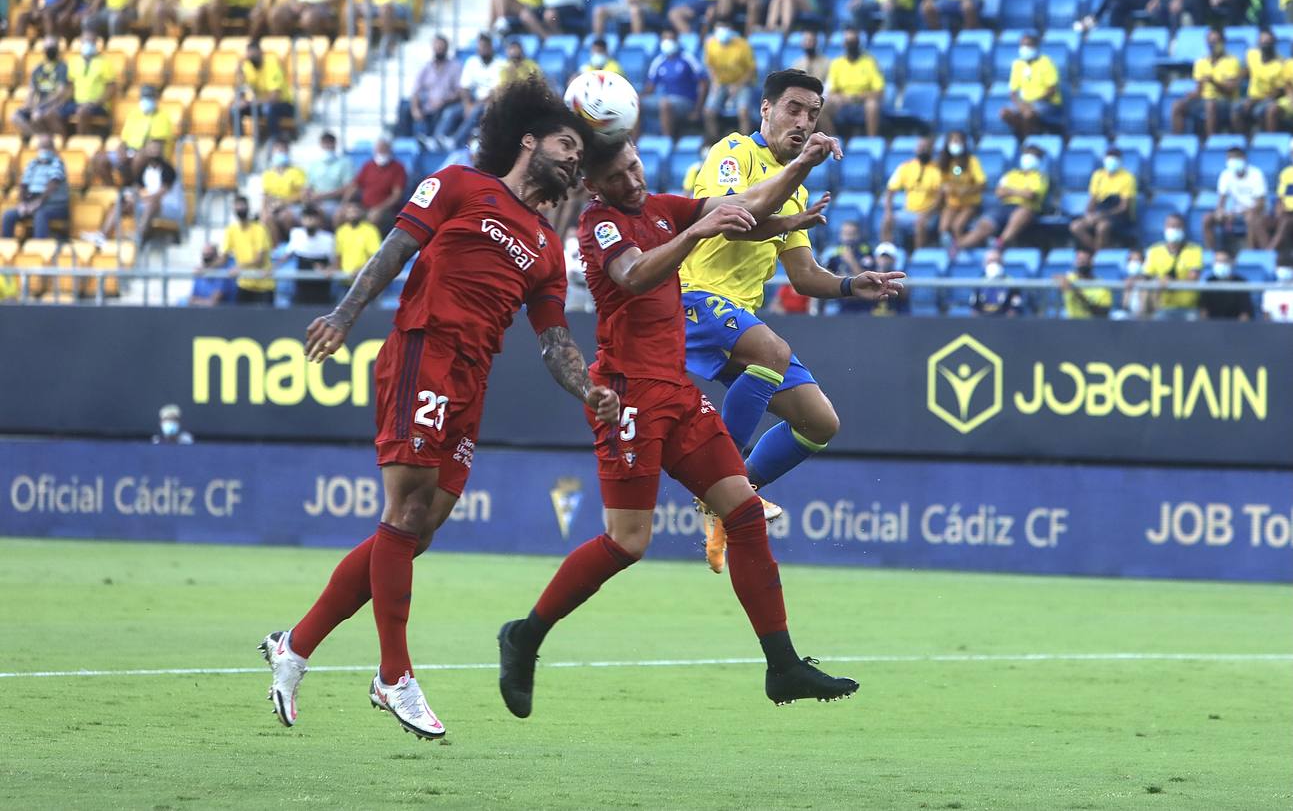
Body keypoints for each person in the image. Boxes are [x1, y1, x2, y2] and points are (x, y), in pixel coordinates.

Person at [259, 77, 618, 741]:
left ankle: (296, 645)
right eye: (566, 143)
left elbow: (554, 341)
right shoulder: (457, 184)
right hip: (424, 350)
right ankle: (393, 675)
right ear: (528, 140)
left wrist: (588, 386)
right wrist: (343, 315)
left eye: (580, 152)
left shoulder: (544, 246)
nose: (574, 159)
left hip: (472, 379)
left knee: (418, 530)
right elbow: (394, 251)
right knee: (404, 512)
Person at [497, 132, 870, 719]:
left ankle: (782, 666)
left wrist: (799, 164)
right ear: (593, 185)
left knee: (744, 514)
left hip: (675, 391)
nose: (634, 180)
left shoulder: (659, 207)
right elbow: (634, 275)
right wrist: (696, 232)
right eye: (618, 175)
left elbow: (743, 207)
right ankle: (526, 634)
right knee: (628, 542)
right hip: (628, 397)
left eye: (635, 166)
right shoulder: (598, 224)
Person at [682, 70, 907, 571]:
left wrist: (852, 284)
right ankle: (723, 486)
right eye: (794, 109)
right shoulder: (733, 152)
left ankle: (728, 503)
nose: (803, 122)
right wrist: (797, 183)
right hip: (693, 297)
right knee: (773, 352)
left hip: (736, 316)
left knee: (819, 422)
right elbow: (732, 222)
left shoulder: (796, 190)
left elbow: (803, 276)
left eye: (813, 113)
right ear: (765, 109)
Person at [958, 144, 1049, 250]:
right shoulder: (1010, 174)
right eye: (1026, 154)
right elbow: (999, 192)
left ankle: (1000, 243)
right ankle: (960, 246)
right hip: (1004, 206)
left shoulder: (1040, 177)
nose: (1028, 158)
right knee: (983, 227)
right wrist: (1020, 192)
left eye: (1032, 156)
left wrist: (1010, 191)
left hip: (1026, 207)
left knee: (1021, 214)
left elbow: (1030, 195)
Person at [95, 139, 183, 245]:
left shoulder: (168, 169)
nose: (154, 151)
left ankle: (139, 236)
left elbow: (160, 194)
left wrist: (139, 199)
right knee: (122, 202)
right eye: (151, 148)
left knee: (152, 203)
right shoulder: (144, 169)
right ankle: (102, 236)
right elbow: (137, 188)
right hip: (147, 203)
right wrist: (131, 198)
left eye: (156, 148)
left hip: (168, 206)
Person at [94, 85, 175, 186]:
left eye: (150, 97)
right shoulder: (134, 115)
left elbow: (155, 146)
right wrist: (121, 151)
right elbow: (124, 140)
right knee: (99, 159)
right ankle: (113, 190)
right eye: (144, 97)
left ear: (156, 99)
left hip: (149, 156)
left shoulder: (162, 118)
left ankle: (133, 187)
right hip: (130, 151)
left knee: (139, 158)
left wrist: (136, 154)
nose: (146, 100)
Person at [1171, 26, 1241, 137]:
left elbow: (1230, 91)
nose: (1212, 45)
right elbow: (1199, 91)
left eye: (1215, 41)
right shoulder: (1201, 62)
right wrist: (1190, 96)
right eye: (1210, 41)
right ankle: (1178, 140)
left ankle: (1210, 142)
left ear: (1222, 42)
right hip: (1204, 100)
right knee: (1177, 106)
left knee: (1210, 105)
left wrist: (1214, 82)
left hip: (1225, 101)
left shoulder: (1232, 61)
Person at [1, 136, 69, 240]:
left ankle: (38, 246)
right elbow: (24, 185)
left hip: (56, 206)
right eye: (42, 147)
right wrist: (23, 203)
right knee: (8, 215)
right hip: (32, 204)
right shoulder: (32, 163)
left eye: (47, 147)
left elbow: (52, 185)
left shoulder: (57, 163)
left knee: (40, 214)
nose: (44, 150)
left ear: (53, 149)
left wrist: (37, 203)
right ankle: (6, 246)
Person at [643, 30, 708, 139]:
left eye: (671, 39)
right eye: (665, 39)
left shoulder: (687, 58)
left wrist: (698, 109)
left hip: (686, 101)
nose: (667, 42)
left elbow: (704, 83)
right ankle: (635, 142)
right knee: (636, 104)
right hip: (666, 98)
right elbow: (650, 87)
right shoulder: (658, 61)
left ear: (677, 41)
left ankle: (666, 141)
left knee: (665, 104)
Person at [1070, 148, 1136, 252]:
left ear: (1120, 161)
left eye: (1114, 159)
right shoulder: (1098, 175)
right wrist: (1088, 214)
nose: (1111, 162)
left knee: (1102, 227)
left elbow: (1124, 207)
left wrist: (1102, 215)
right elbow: (1093, 199)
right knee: (1076, 226)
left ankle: (1099, 255)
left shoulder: (1128, 178)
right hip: (1099, 211)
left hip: (1117, 215)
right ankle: (1098, 251)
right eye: (1109, 159)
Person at [882, 137, 943, 249]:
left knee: (920, 223)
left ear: (932, 150)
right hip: (908, 212)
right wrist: (888, 212)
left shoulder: (938, 170)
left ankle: (918, 256)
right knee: (887, 221)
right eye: (921, 147)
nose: (923, 150)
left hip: (930, 214)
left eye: (926, 148)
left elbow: (940, 198)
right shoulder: (906, 167)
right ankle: (888, 253)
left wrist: (928, 214)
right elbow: (890, 191)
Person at [703, 19, 758, 142]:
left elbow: (751, 70)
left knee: (743, 112)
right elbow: (709, 65)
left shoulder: (743, 45)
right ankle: (713, 141)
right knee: (708, 112)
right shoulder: (710, 44)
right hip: (721, 83)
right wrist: (714, 81)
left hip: (742, 83)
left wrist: (737, 86)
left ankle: (745, 143)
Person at [1000, 34, 1063, 139]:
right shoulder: (1017, 64)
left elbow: (1052, 91)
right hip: (1024, 102)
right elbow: (1013, 92)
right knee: (1004, 113)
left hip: (1046, 103)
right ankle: (1029, 133)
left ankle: (1027, 140)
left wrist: (1031, 103)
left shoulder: (1046, 63)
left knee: (1027, 115)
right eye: (1022, 46)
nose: (1024, 49)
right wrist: (1020, 104)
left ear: (1035, 47)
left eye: (1028, 45)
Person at [824, 30, 884, 140]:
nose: (851, 45)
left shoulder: (869, 62)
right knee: (821, 108)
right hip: (843, 103)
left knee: (873, 105)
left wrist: (858, 97)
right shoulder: (837, 64)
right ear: (844, 44)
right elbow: (831, 92)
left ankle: (872, 141)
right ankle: (833, 142)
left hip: (862, 102)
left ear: (859, 43)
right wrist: (841, 98)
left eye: (854, 42)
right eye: (848, 42)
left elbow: (879, 91)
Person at [1205, 147, 1269, 250]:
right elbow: (1221, 202)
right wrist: (1220, 212)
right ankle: (1211, 253)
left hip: (1255, 212)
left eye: (1235, 158)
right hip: (1235, 212)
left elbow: (1260, 204)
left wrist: (1237, 213)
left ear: (1244, 158)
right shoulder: (1225, 175)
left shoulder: (1256, 174)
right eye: (1229, 159)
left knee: (1250, 217)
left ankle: (1250, 253)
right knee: (1207, 218)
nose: (1232, 162)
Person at [1143, 213, 1203, 320]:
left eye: (1177, 226)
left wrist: (1170, 282)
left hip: (1189, 308)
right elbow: (1147, 277)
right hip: (1163, 307)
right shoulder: (1154, 251)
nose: (1174, 229)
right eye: (1171, 226)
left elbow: (1193, 278)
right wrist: (1159, 281)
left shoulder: (1195, 250)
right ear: (1165, 228)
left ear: (1183, 229)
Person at [410, 35, 464, 149]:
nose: (439, 49)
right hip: (428, 104)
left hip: (448, 103)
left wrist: (444, 101)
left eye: (442, 47)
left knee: (449, 112)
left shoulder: (455, 66)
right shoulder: (426, 67)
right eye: (437, 47)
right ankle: (417, 141)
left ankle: (436, 139)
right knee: (411, 110)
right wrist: (415, 109)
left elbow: (461, 91)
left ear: (447, 48)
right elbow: (415, 90)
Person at [220, 194, 276, 304]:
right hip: (244, 285)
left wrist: (239, 267)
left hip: (264, 285)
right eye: (237, 206)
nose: (240, 209)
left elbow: (259, 260)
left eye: (242, 205)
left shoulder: (260, 229)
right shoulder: (231, 231)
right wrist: (206, 266)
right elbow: (223, 258)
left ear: (248, 208)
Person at [452, 34, 506, 147]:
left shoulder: (501, 64)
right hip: (473, 101)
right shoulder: (472, 62)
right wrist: (467, 105)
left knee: (477, 111)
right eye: (481, 47)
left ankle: (455, 141)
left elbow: (497, 91)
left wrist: (475, 105)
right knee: (450, 113)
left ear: (491, 47)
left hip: (492, 102)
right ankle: (438, 140)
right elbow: (464, 87)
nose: (483, 49)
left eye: (486, 46)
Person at [12, 36, 70, 139]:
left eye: (52, 47)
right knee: (16, 116)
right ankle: (38, 138)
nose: (50, 50)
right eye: (48, 47)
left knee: (37, 115)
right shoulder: (38, 69)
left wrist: (42, 104)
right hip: (40, 104)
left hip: (55, 104)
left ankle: (57, 140)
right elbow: (32, 91)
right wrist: (28, 106)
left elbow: (61, 92)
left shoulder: (62, 67)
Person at [236, 41, 295, 143]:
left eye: (254, 54)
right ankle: (241, 143)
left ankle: (275, 141)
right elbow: (241, 88)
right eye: (250, 55)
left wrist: (253, 102)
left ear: (260, 53)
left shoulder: (272, 66)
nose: (251, 57)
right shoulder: (248, 67)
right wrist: (239, 68)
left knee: (269, 108)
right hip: (260, 104)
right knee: (235, 109)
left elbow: (274, 98)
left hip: (284, 105)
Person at [1233, 30, 1290, 135]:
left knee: (1260, 111)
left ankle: (1267, 139)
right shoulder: (1251, 55)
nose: (1265, 46)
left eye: (1268, 43)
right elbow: (1243, 73)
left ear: (1273, 44)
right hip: (1251, 97)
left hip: (1270, 98)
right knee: (1237, 109)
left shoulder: (1281, 64)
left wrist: (1257, 100)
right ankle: (1243, 140)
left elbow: (1279, 91)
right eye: (1262, 42)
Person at [346, 139, 408, 232]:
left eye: (384, 149)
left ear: (390, 150)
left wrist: (379, 209)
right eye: (379, 149)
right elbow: (355, 186)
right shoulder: (368, 166)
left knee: (374, 217)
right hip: (364, 206)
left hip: (387, 210)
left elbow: (396, 196)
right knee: (343, 214)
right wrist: (345, 204)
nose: (381, 152)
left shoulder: (398, 168)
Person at [938, 132, 984, 246]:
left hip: (969, 203)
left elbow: (982, 183)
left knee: (957, 226)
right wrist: (946, 188)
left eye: (957, 141)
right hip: (952, 203)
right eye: (952, 141)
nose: (955, 144)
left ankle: (959, 250)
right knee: (943, 228)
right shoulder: (946, 162)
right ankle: (946, 251)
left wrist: (967, 190)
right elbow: (941, 183)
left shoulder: (972, 161)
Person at [287, 206, 337, 306]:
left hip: (321, 287)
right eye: (306, 218)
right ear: (301, 220)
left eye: (312, 218)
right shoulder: (296, 234)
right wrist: (272, 268)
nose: (309, 221)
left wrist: (329, 269)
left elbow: (335, 261)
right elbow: (286, 255)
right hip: (302, 286)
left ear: (318, 220)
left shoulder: (328, 238)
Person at [67, 31, 113, 138]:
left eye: (91, 41)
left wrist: (97, 102)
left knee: (83, 111)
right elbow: (70, 86)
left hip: (98, 104)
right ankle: (64, 142)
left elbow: (111, 87)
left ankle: (81, 141)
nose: (88, 43)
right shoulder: (74, 62)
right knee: (53, 113)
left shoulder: (104, 63)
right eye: (86, 41)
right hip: (77, 102)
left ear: (96, 43)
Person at [262, 140, 308, 241]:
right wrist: (264, 211)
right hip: (274, 207)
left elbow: (303, 194)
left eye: (283, 150)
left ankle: (293, 243)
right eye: (277, 150)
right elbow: (266, 196)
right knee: (267, 219)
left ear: (288, 152)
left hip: (294, 206)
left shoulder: (297, 172)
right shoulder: (267, 174)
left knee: (286, 216)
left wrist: (284, 202)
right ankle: (276, 248)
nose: (280, 152)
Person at [303, 131, 354, 220]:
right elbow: (308, 186)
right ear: (321, 145)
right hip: (316, 201)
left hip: (335, 202)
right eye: (325, 143)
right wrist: (307, 197)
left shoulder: (345, 163)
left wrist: (323, 195)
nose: (328, 146)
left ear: (335, 144)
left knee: (322, 212)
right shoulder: (314, 164)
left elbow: (348, 188)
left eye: (330, 143)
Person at [333, 200, 383, 285]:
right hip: (344, 281)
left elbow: (375, 257)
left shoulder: (371, 230)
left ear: (362, 213)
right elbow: (338, 256)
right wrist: (332, 269)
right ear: (345, 214)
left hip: (364, 281)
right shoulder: (341, 231)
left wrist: (361, 270)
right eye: (350, 211)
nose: (353, 214)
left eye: (356, 211)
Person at [1056, 248, 1113, 319]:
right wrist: (1058, 278)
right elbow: (1056, 278)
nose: (1081, 264)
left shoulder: (1102, 286)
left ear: (1091, 262)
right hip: (1071, 324)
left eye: (1084, 261)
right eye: (1079, 260)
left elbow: (1103, 313)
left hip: (1092, 326)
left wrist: (1079, 294)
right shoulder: (1070, 279)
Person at [1199, 249, 1254, 320]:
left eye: (1223, 261)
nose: (1220, 264)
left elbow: (1245, 314)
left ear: (1232, 263)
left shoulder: (1241, 283)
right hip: (1213, 326)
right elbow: (1203, 311)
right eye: (1217, 261)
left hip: (1235, 327)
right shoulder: (1209, 282)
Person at [971, 249, 1027, 317]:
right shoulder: (978, 283)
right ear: (984, 264)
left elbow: (1014, 307)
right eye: (990, 261)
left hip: (1004, 321)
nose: (993, 264)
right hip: (983, 320)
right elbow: (974, 309)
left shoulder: (1011, 282)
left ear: (1002, 263)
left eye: (996, 261)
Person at [1120, 248, 1153, 320]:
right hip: (1129, 318)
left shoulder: (1150, 282)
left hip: (1146, 318)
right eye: (1131, 260)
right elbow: (1124, 307)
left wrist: (1142, 287)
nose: (1133, 263)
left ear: (1143, 263)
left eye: (1136, 260)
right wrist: (1128, 291)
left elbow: (1146, 309)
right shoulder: (1126, 281)